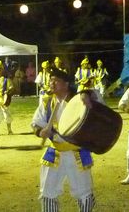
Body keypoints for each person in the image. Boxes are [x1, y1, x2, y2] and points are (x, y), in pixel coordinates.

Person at [31, 68, 100, 212]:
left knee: (84, 192)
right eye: (50, 80)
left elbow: (97, 96)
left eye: (56, 80)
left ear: (66, 84)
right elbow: (36, 122)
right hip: (54, 152)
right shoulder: (46, 102)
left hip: (76, 153)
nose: (52, 83)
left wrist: (87, 94)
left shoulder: (79, 99)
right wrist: (40, 131)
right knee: (47, 191)